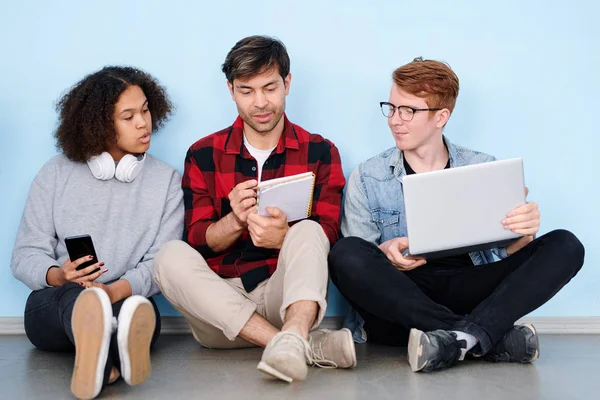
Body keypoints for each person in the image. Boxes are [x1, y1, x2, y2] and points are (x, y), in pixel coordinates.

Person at [328, 57, 585, 373]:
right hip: (403, 297)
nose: (395, 120)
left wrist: (523, 232)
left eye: (408, 110)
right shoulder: (368, 176)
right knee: (345, 253)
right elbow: (359, 265)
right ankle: (484, 336)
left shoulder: (483, 167)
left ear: (441, 117)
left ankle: (457, 340)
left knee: (566, 244)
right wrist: (385, 253)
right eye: (391, 108)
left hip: (472, 289)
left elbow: (503, 253)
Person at [154, 35, 356, 383]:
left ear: (287, 84)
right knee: (168, 256)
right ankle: (295, 345)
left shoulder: (320, 151)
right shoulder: (203, 153)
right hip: (222, 315)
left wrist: (284, 237)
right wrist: (234, 221)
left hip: (288, 300)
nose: (260, 103)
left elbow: (331, 235)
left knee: (308, 230)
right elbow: (199, 240)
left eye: (270, 88)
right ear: (231, 90)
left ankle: (292, 334)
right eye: (246, 91)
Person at [11, 66, 184, 398]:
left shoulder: (165, 181)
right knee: (77, 302)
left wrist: (114, 291)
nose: (143, 123)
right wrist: (58, 275)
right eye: (128, 116)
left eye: (146, 110)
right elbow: (24, 255)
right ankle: (110, 349)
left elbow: (161, 262)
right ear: (100, 123)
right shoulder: (55, 174)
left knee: (137, 313)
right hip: (56, 301)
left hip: (125, 298)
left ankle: (103, 366)